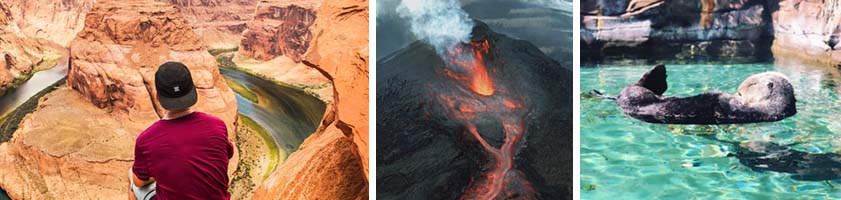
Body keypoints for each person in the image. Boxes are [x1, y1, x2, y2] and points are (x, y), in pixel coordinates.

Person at [129, 62, 233, 200]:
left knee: (132, 180)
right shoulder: (218, 125)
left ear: (157, 97)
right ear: (193, 90)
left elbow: (139, 181)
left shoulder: (146, 140)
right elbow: (225, 158)